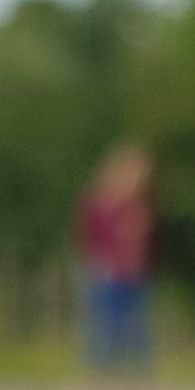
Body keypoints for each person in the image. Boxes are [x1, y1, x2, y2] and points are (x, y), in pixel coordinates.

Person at [76, 147, 156, 372]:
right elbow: (89, 235)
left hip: (134, 269)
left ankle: (135, 368)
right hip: (106, 268)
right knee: (106, 320)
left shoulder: (138, 206)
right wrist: (98, 260)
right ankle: (106, 368)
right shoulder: (100, 204)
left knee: (135, 321)